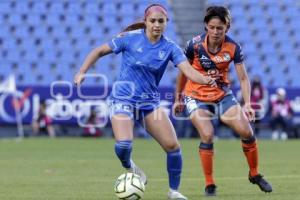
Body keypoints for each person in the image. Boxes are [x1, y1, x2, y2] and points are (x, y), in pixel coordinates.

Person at [74, 4, 216, 199]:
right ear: (146, 21)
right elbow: (98, 51)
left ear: (166, 23)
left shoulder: (170, 47)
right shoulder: (129, 39)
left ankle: (173, 191)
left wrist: (206, 79)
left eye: (161, 21)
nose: (157, 25)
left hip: (149, 104)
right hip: (122, 99)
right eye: (153, 21)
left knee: (173, 147)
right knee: (124, 145)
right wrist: (82, 72)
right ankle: (130, 166)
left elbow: (189, 71)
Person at [173, 6, 272, 196]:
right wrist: (178, 98)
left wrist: (248, 103)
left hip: (221, 95)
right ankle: (209, 184)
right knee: (208, 134)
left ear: (227, 27)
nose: (216, 32)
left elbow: (243, 78)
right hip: (195, 96)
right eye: (212, 27)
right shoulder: (193, 45)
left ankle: (254, 173)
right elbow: (183, 72)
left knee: (246, 131)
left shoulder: (233, 47)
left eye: (220, 28)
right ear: (206, 26)